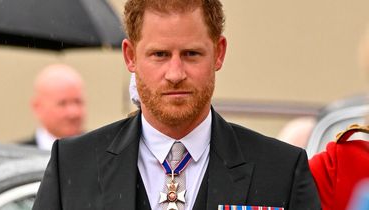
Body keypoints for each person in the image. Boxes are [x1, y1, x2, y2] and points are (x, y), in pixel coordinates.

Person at [32, 0, 320, 209]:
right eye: (159, 54)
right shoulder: (72, 166)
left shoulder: (282, 172)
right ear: (130, 56)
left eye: (191, 54)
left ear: (218, 54)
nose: (175, 74)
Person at [24, 64, 86, 150]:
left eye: (78, 102)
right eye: (62, 104)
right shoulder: (15, 156)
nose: (73, 113)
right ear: (38, 107)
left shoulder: (101, 150)